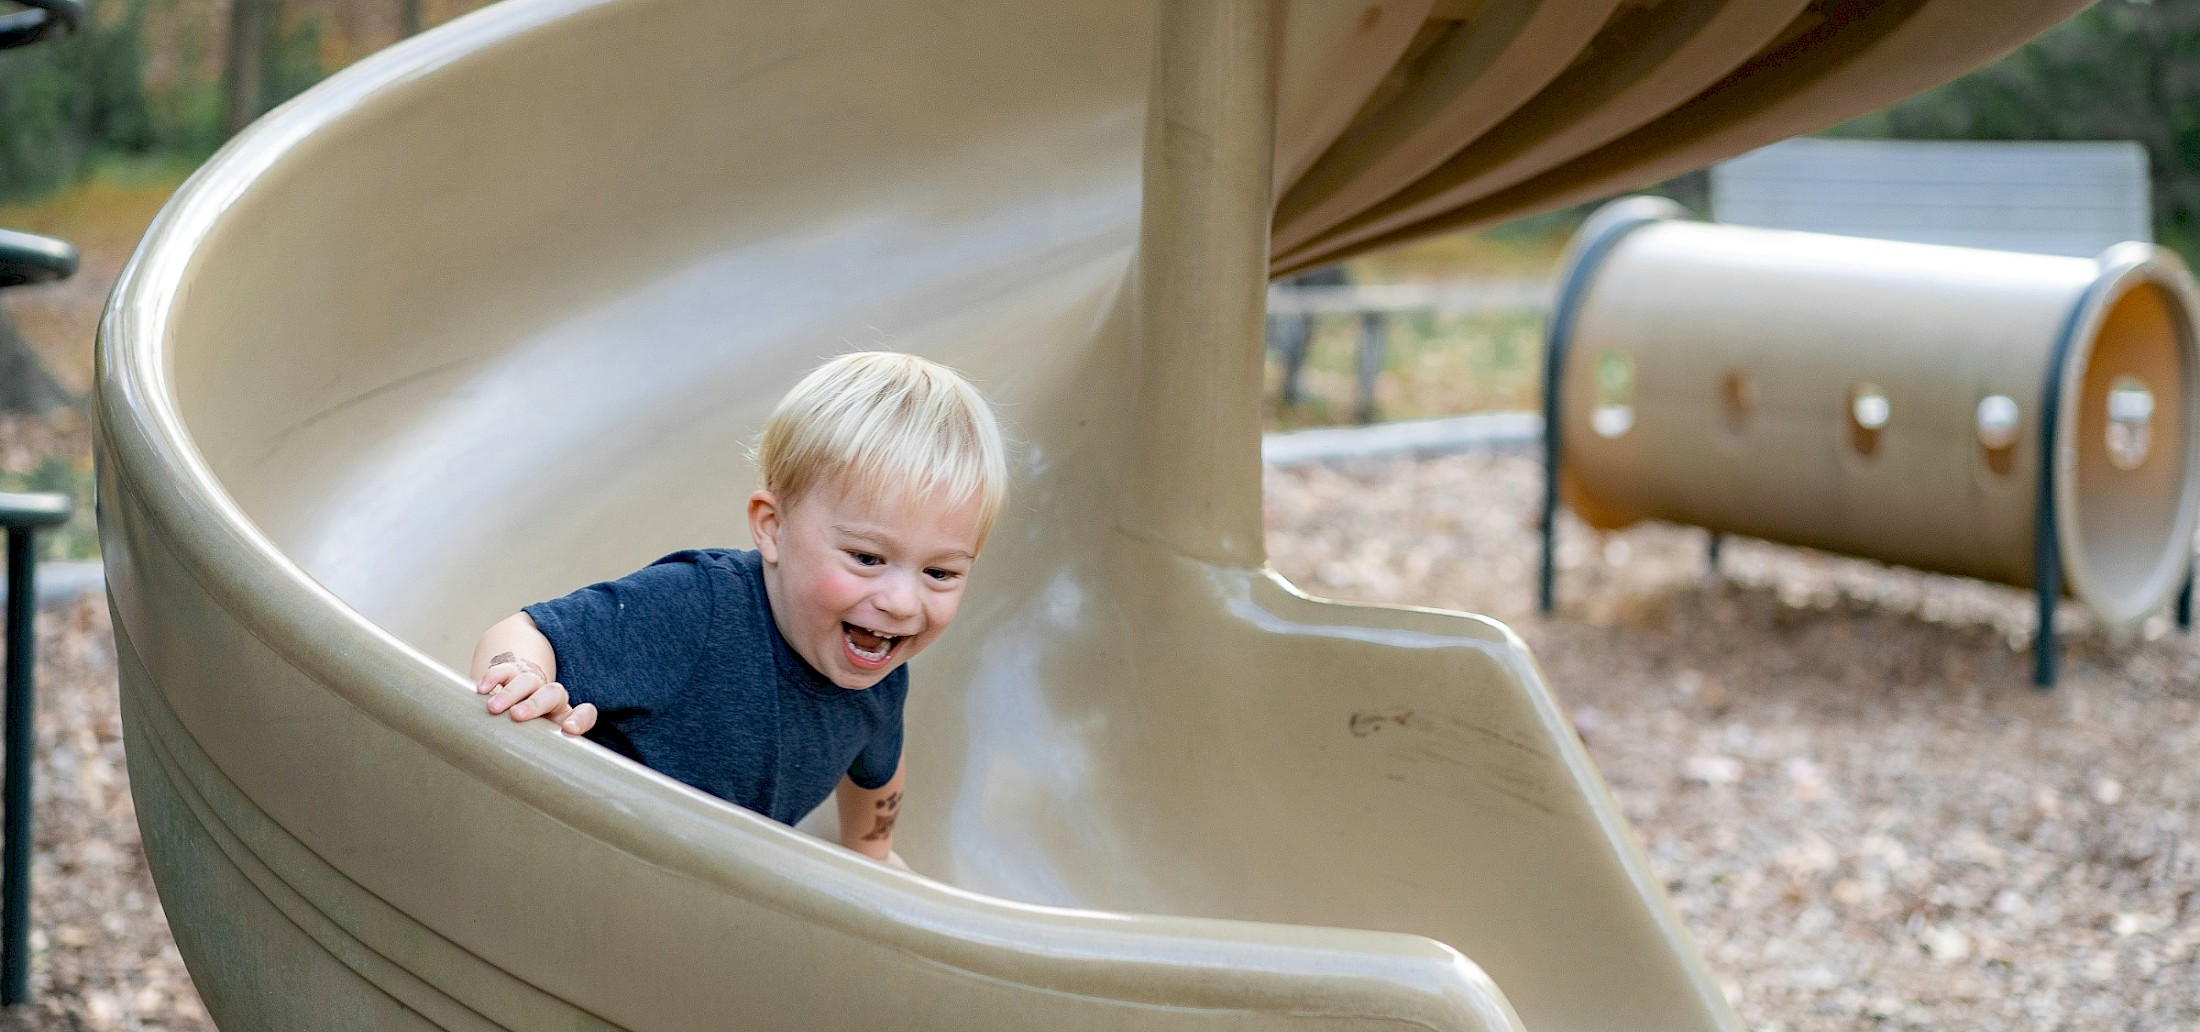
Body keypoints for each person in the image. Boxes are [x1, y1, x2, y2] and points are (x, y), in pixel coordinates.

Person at [467, 352, 1006, 870]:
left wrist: (872, 856)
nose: (902, 603)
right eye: (867, 558)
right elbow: (521, 631)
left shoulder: (880, 672)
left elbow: (876, 769)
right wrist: (521, 676)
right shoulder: (696, 606)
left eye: (940, 572)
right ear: (772, 527)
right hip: (579, 855)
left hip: (704, 891)